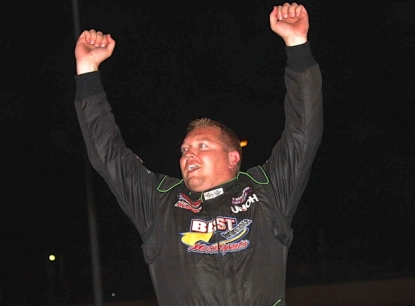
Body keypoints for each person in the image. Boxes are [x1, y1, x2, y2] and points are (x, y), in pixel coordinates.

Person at [74, 2, 323, 305]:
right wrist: (87, 72)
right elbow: (107, 154)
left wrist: (297, 46)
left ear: (234, 157)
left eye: (202, 146)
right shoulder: (159, 203)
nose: (188, 155)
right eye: (184, 150)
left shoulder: (268, 191)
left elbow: (303, 131)